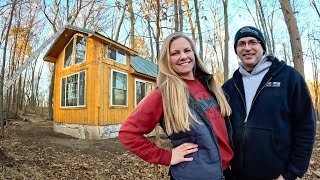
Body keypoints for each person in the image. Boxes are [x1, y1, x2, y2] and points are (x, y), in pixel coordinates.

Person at [119, 32, 233, 180]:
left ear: (194, 53)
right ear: (167, 60)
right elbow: (128, 133)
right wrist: (167, 156)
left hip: (227, 172)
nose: (183, 56)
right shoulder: (164, 94)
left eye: (187, 50)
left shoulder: (211, 86)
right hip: (194, 175)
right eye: (175, 53)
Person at [222, 26, 316, 180]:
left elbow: (306, 126)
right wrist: (226, 172)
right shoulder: (229, 87)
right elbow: (221, 131)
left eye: (253, 42)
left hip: (277, 174)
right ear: (236, 50)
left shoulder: (289, 78)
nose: (247, 48)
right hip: (237, 174)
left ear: (262, 47)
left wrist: (291, 172)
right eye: (241, 43)